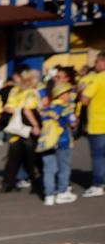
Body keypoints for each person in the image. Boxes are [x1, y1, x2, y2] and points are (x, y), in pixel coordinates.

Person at [37, 66, 78, 206]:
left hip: (47, 143)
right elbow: (73, 123)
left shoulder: (47, 110)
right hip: (63, 142)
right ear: (61, 94)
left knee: (48, 169)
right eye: (67, 93)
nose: (69, 95)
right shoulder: (65, 109)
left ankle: (49, 196)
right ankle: (62, 193)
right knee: (64, 168)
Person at [0, 68, 42, 194]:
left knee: (13, 158)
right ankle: (36, 182)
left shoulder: (14, 91)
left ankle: (8, 183)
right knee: (33, 157)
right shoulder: (32, 92)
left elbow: (8, 107)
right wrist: (36, 125)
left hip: (16, 128)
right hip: (28, 127)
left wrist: (15, 109)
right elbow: (28, 110)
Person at [81, 54, 105, 197]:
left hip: (98, 124)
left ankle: (97, 185)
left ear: (102, 61)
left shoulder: (97, 79)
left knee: (98, 156)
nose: (95, 65)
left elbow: (85, 100)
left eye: (96, 61)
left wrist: (81, 91)